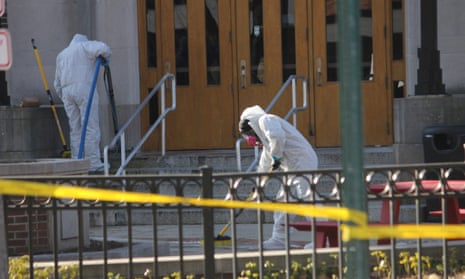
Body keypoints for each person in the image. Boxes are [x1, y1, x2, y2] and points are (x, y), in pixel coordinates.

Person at [239, 105, 319, 250]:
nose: (254, 139)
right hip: (292, 167)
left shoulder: (266, 120)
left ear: (251, 125)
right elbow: (266, 161)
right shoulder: (267, 141)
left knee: (308, 199)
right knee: (283, 201)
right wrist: (258, 182)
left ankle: (321, 239)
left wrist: (276, 155)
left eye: (250, 135)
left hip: (302, 162)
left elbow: (277, 137)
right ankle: (279, 239)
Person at [54, 34, 112, 173]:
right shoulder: (84, 47)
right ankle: (92, 162)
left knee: (75, 129)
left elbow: (57, 83)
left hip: (67, 92)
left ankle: (77, 162)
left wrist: (64, 97)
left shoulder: (62, 55)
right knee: (90, 125)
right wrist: (105, 58)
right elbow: (104, 48)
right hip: (85, 89)